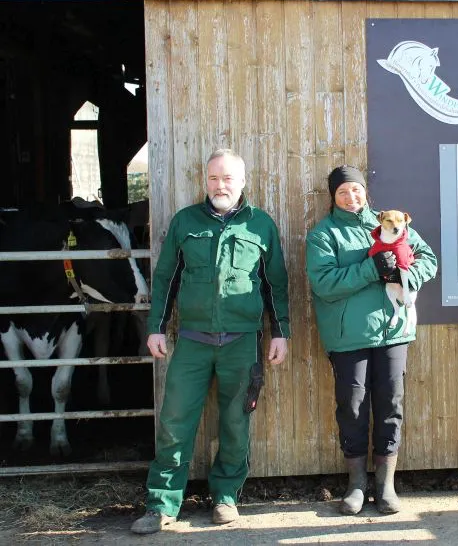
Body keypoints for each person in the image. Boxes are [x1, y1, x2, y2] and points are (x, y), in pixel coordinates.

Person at [131, 149, 290, 534]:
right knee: (174, 422)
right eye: (214, 178)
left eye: (228, 178)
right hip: (193, 341)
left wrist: (280, 333)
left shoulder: (261, 226)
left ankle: (225, 497)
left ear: (243, 181)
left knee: (235, 422)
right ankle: (162, 505)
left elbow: (276, 285)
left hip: (243, 342)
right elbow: (166, 277)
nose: (221, 185)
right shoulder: (186, 221)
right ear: (206, 181)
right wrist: (156, 326)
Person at [305, 165, 437, 515]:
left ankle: (386, 485)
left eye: (356, 189)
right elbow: (324, 284)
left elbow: (430, 260)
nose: (352, 196)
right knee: (352, 408)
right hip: (348, 337)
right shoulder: (323, 235)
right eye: (343, 192)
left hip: (393, 333)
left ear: (366, 192)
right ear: (333, 197)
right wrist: (371, 268)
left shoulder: (392, 224)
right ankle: (356, 485)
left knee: (390, 405)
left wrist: (405, 274)